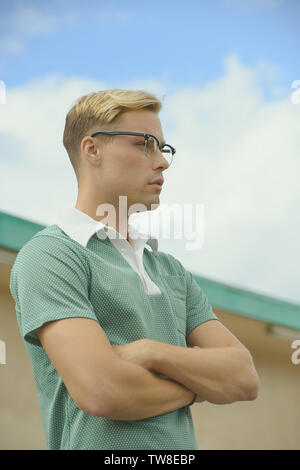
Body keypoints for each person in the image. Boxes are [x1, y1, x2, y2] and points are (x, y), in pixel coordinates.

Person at [9, 89, 259, 450]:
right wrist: (197, 386)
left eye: (163, 148)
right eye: (145, 144)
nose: (162, 162)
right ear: (92, 149)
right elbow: (103, 391)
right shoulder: (52, 256)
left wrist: (152, 352)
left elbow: (243, 377)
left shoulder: (171, 270)